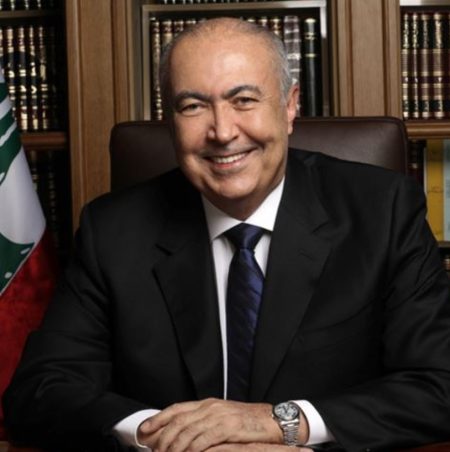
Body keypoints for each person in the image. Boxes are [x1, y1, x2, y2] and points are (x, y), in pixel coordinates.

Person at [3, 17, 450, 452]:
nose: (222, 131)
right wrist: (175, 437)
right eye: (193, 106)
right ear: (170, 120)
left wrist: (276, 424)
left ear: (290, 106)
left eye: (244, 100)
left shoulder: (383, 211)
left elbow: (439, 384)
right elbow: (40, 392)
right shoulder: (113, 230)